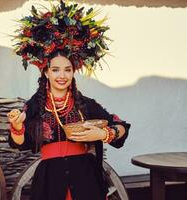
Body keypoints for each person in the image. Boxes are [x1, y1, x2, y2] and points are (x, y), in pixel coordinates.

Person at [7, 1, 131, 200]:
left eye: (67, 69)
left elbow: (121, 127)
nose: (61, 75)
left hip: (86, 181)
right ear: (46, 72)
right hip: (49, 184)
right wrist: (17, 126)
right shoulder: (34, 107)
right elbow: (19, 143)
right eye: (55, 70)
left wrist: (104, 133)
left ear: (74, 72)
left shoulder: (87, 105)